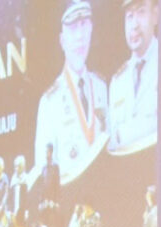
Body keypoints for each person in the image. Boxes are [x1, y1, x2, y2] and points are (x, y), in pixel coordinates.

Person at [34, 0, 107, 186]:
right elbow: (44, 173)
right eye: (73, 28)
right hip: (70, 198)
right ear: (62, 40)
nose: (80, 36)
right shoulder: (50, 102)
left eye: (84, 25)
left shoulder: (101, 87)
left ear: (91, 30)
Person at [107, 0, 158, 155]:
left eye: (141, 12)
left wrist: (124, 133)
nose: (134, 25)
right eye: (129, 16)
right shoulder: (117, 82)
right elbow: (113, 143)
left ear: (156, 15)